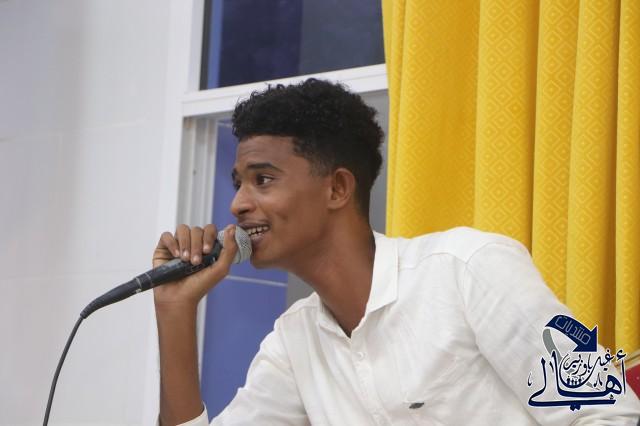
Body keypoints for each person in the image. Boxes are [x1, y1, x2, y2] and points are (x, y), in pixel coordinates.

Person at [153, 79, 640, 425]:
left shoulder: (470, 268)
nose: (237, 204)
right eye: (238, 183)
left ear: (337, 188)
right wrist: (175, 311)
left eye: (263, 179)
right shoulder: (294, 341)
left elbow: (610, 413)